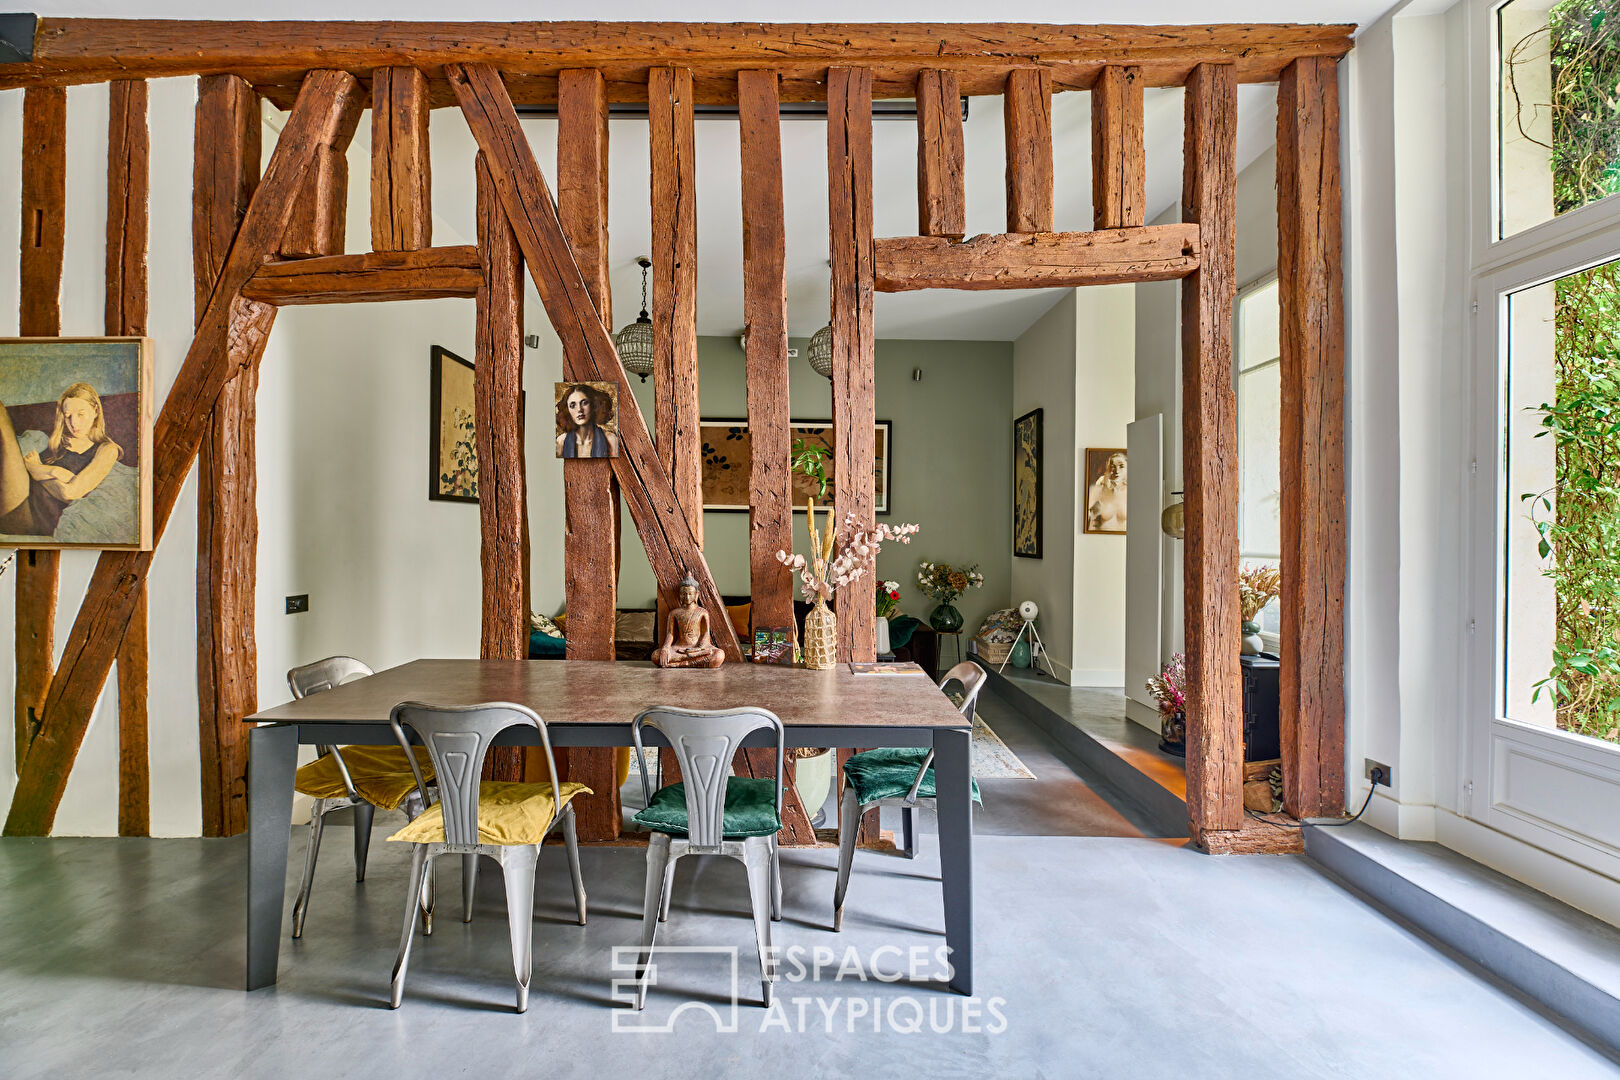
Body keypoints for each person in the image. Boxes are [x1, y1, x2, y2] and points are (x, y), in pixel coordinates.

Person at [0, 382, 122, 537]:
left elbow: (70, 493)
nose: (74, 423)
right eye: (68, 416)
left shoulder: (107, 450)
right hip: (20, 497)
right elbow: (68, 481)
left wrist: (38, 470)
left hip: (36, 520)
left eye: (80, 414)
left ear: (95, 410)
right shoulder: (53, 443)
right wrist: (59, 474)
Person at [652, 576, 725, 669]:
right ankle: (695, 662)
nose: (687, 597)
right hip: (679, 648)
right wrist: (665, 648)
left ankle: (680, 664)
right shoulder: (674, 613)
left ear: (696, 594)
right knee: (656, 656)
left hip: (697, 649)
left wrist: (699, 648)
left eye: (690, 593)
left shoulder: (702, 612)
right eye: (684, 594)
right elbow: (670, 634)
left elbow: (705, 633)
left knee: (719, 655)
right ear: (680, 595)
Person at [555, 383, 620, 459]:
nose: (579, 409)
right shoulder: (561, 441)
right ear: (567, 411)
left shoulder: (611, 440)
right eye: (573, 405)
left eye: (584, 403)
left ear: (593, 405)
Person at [1087, 451, 1127, 533]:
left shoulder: (1132, 492)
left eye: (1121, 466)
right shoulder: (1099, 488)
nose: (1116, 470)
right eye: (1112, 466)